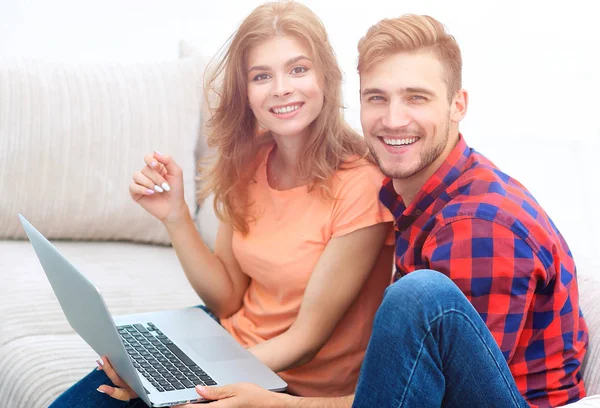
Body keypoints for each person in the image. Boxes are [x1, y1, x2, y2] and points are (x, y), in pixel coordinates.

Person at [170, 13, 589, 408]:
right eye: (377, 98)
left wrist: (277, 404)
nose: (393, 119)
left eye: (416, 98)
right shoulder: (410, 197)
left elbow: (440, 398)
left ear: (458, 105)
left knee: (418, 294)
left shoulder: (476, 226)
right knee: (110, 388)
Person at [48, 2, 395, 407]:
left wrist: (184, 378)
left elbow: (305, 340)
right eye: (262, 76)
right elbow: (229, 299)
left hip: (284, 386)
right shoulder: (248, 159)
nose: (281, 87)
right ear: (245, 91)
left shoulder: (363, 185)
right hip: (227, 342)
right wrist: (176, 217)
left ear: (327, 77)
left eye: (298, 69)